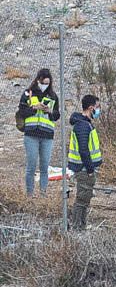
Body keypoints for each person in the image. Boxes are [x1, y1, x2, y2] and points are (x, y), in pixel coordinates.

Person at [15, 68, 59, 197]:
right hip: (31, 134)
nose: (44, 85)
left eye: (47, 83)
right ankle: (30, 194)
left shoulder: (53, 96)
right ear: (38, 80)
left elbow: (57, 115)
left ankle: (43, 194)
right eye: (43, 82)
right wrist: (34, 108)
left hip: (47, 135)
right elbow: (22, 110)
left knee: (44, 166)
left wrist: (49, 111)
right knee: (31, 165)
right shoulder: (28, 93)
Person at [66, 94, 101, 230]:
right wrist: (91, 170)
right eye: (97, 107)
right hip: (84, 169)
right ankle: (77, 227)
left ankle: (80, 225)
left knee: (84, 199)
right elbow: (83, 150)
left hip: (84, 168)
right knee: (82, 200)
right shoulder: (82, 126)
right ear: (91, 108)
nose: (98, 111)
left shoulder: (84, 123)